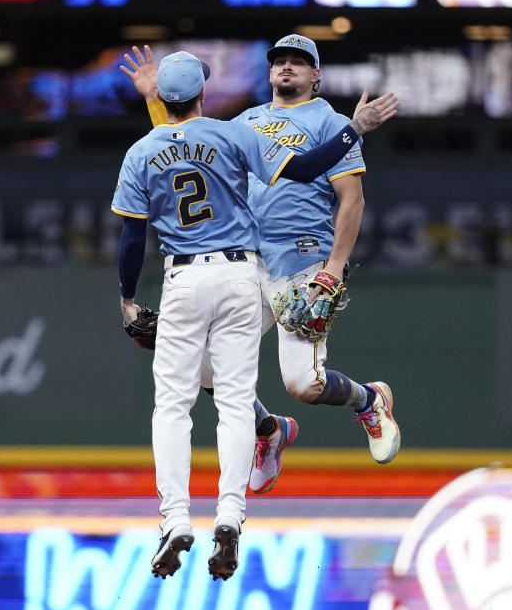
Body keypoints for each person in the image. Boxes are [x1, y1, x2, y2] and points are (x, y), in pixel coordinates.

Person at [112, 49, 398, 581]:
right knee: (208, 377)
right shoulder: (242, 124)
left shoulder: (327, 121)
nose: (286, 67)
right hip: (247, 264)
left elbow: (350, 198)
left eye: (298, 61)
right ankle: (264, 435)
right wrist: (160, 102)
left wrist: (333, 267)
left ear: (317, 74)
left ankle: (368, 399)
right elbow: (189, 146)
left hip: (297, 261)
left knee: (300, 383)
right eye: (279, 60)